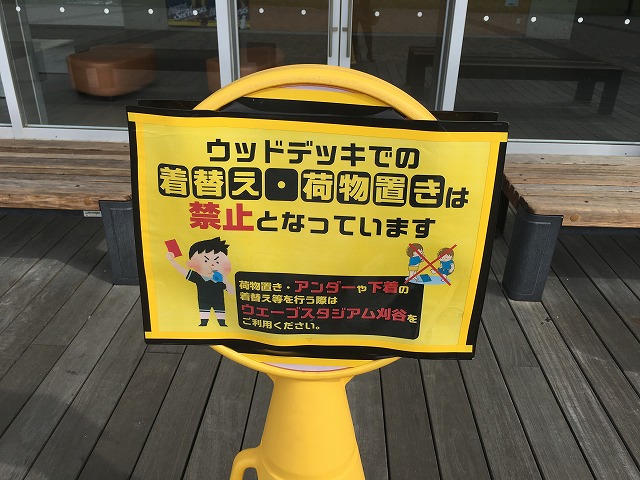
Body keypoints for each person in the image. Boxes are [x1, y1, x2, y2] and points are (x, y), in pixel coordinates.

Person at [167, 237, 234, 327]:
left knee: (220, 315)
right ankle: (204, 322)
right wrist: (172, 261)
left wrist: (226, 282)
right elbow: (183, 271)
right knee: (204, 315)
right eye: (205, 260)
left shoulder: (220, 278)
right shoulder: (198, 277)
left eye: (217, 261)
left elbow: (232, 291)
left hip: (219, 303)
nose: (212, 264)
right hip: (203, 302)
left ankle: (222, 323)